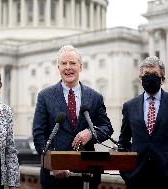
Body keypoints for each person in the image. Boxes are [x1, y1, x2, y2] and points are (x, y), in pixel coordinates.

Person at [32, 45, 113, 189]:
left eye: (72, 63)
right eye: (64, 63)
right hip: (54, 177)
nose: (68, 67)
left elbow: (107, 128)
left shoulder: (95, 97)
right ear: (58, 68)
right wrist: (52, 164)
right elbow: (39, 135)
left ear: (80, 67)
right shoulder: (44, 96)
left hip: (87, 174)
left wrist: (90, 133)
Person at [118, 56, 168, 189]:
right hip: (136, 178)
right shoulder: (129, 106)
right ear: (141, 78)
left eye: (154, 74)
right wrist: (125, 172)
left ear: (162, 79)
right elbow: (123, 141)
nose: (150, 78)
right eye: (146, 74)